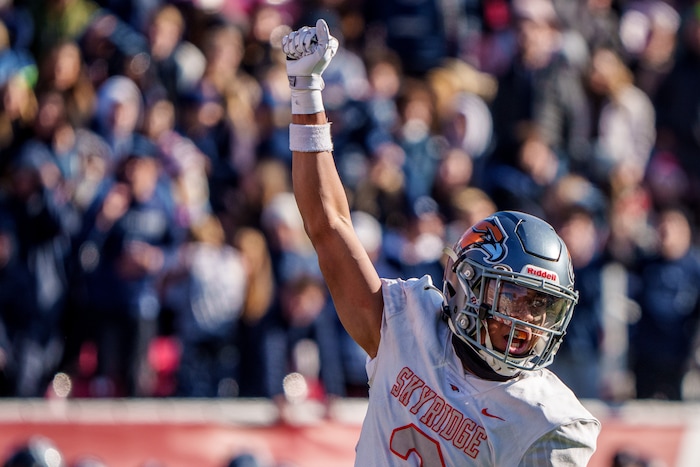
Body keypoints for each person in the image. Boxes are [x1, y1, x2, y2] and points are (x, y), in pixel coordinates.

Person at [282, 19, 600, 465]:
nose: (530, 321)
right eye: (517, 298)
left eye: (541, 305)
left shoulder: (550, 421)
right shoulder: (406, 325)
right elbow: (328, 225)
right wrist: (305, 89)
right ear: (468, 285)